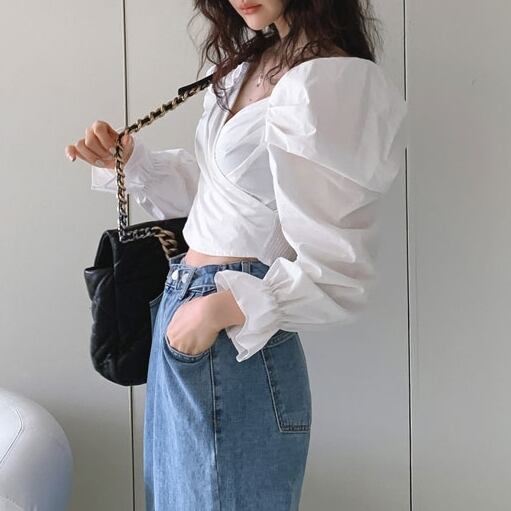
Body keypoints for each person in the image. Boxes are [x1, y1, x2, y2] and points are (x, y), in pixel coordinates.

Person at [65, 0, 408, 509]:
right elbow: (226, 203)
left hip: (232, 329)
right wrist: (133, 163)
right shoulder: (249, 61)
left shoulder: (327, 83)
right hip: (187, 310)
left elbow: (341, 266)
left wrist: (215, 311)